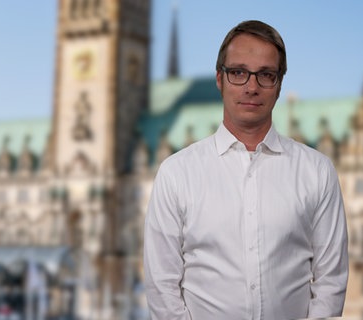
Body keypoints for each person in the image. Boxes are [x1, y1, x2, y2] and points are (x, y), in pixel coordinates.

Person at [143, 20, 348, 320]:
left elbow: (331, 280)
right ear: (219, 79)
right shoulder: (176, 172)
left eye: (265, 75)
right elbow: (162, 285)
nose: (252, 87)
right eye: (238, 73)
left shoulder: (317, 171)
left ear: (279, 84)